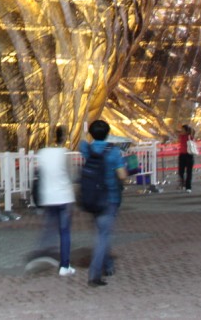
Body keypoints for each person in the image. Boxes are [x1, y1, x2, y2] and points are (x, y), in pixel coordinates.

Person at [79, 119, 129, 288]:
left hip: (91, 197)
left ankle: (108, 265)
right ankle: (94, 274)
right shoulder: (113, 152)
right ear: (108, 133)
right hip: (109, 198)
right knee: (103, 236)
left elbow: (81, 142)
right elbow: (122, 175)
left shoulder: (86, 148)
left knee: (102, 233)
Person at [34, 126, 76, 276]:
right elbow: (70, 175)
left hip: (48, 196)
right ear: (63, 137)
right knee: (64, 231)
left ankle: (41, 254)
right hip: (64, 196)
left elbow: (37, 173)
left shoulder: (42, 153)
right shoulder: (64, 153)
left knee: (49, 228)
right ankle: (64, 265)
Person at [176, 124, 196, 193]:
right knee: (180, 171)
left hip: (189, 155)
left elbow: (194, 131)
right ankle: (183, 183)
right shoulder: (181, 136)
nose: (181, 131)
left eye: (183, 130)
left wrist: (190, 129)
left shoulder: (190, 137)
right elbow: (177, 131)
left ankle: (188, 186)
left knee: (189, 172)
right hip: (182, 155)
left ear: (186, 131)